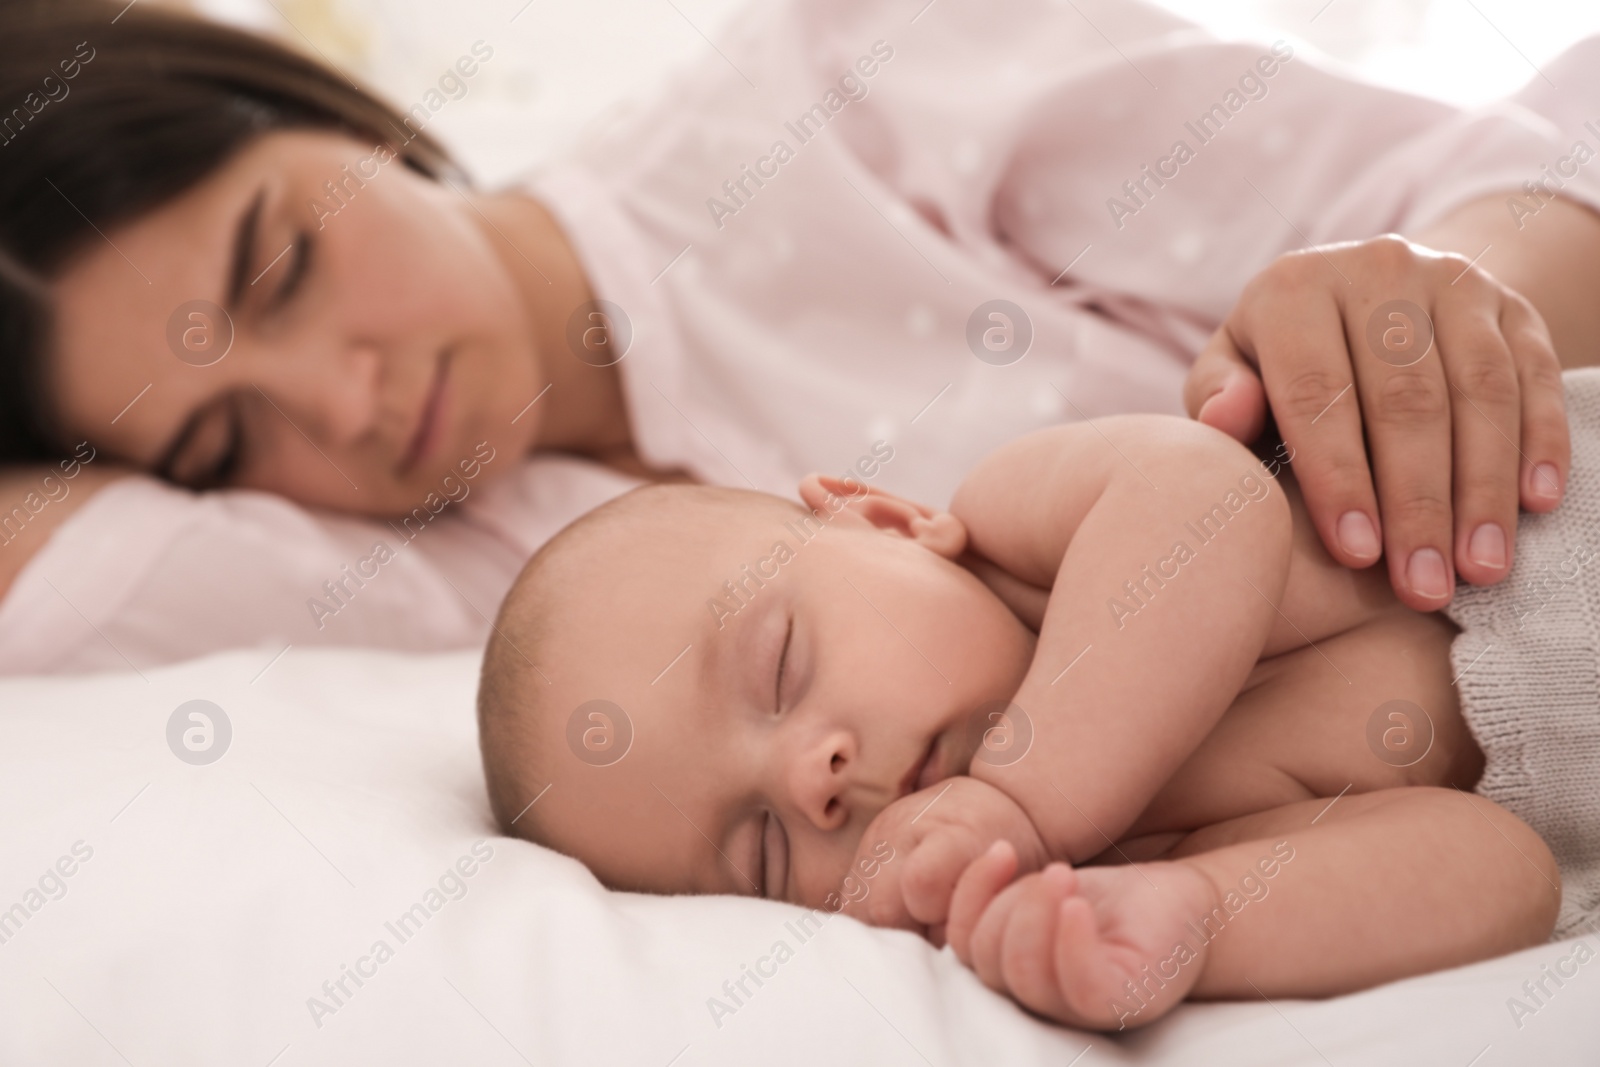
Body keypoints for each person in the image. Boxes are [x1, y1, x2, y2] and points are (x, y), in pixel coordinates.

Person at [5, 0, 1600, 673]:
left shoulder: (847, 75)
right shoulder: (438, 578)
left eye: (281, 267)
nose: (340, 408)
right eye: (223, 438)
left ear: (312, 103)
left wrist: (1442, 291)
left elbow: (1505, 186)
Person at [475, 371, 1600, 1030]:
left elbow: (1209, 499)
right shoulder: (1127, 854)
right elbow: (1498, 870)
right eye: (762, 847)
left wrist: (1024, 792)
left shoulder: (1024, 529)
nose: (808, 779)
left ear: (882, 521)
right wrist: (1202, 919)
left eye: (777, 667)